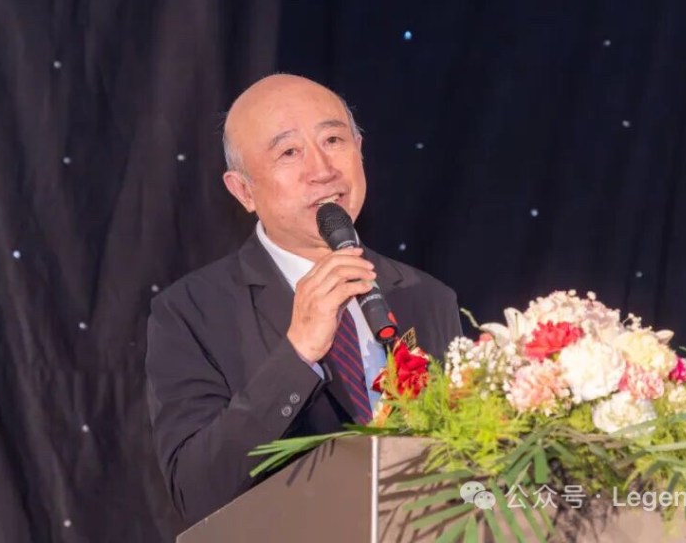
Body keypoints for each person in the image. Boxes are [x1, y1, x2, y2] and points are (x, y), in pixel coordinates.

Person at [145, 74, 463, 525]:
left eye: (333, 140)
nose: (323, 169)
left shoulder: (427, 297)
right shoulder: (190, 312)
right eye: (289, 152)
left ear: (359, 150)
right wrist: (297, 355)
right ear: (243, 190)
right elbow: (196, 491)